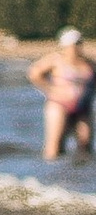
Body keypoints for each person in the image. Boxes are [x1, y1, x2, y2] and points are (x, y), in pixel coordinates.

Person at [30, 27, 96, 161]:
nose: (75, 48)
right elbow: (34, 73)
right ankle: (52, 174)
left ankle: (82, 175)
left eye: (78, 44)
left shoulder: (89, 64)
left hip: (83, 107)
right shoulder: (56, 60)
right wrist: (50, 88)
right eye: (72, 45)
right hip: (59, 105)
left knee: (85, 144)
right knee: (54, 145)